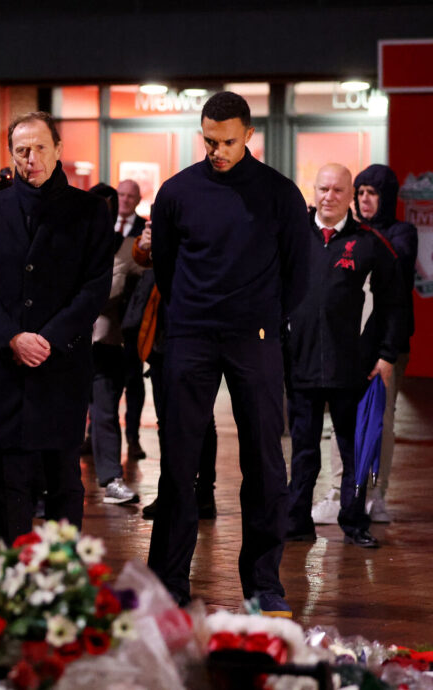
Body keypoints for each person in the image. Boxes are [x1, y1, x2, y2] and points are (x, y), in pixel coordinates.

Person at [147, 91, 310, 615]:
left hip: (254, 338)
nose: (218, 150)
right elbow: (166, 268)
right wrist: (188, 316)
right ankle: (168, 581)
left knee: (264, 462)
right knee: (179, 461)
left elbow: (301, 271)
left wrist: (266, 316)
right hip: (191, 335)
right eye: (210, 141)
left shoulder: (279, 194)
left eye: (228, 142)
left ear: (249, 137)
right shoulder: (176, 193)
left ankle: (263, 583)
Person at [0, 111, 113, 547]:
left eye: (40, 148)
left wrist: (49, 338)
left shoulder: (88, 212)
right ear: (11, 155)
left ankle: (64, 580)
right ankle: (11, 575)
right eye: (22, 150)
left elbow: (94, 285)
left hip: (60, 366)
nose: (31, 159)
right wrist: (11, 336)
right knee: (9, 483)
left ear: (59, 150)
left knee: (65, 482)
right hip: (5, 367)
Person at [284, 164, 403, 549]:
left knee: (354, 452)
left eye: (338, 190)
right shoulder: (293, 238)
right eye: (323, 189)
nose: (328, 197)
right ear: (313, 190)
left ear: (350, 194)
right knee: (303, 451)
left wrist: (386, 355)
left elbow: (395, 305)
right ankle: (297, 521)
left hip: (353, 368)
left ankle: (354, 522)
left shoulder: (370, 243)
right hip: (300, 365)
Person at [311, 164, 417, 525]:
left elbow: (396, 268)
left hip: (387, 346)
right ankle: (341, 493)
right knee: (344, 420)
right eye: (361, 192)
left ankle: (376, 494)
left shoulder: (397, 234)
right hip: (350, 344)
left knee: (381, 421)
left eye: (373, 192)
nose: (365, 199)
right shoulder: (350, 235)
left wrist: (364, 240)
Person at [129, 225, 219, 521]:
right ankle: (172, 492)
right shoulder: (171, 217)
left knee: (202, 420)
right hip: (162, 341)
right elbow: (144, 258)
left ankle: (204, 493)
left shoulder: (206, 226)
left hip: (199, 339)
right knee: (167, 420)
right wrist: (145, 243)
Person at [85, 181, 143, 504]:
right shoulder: (69, 246)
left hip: (106, 345)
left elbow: (147, 264)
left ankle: (111, 479)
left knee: (105, 413)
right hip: (67, 346)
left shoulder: (124, 248)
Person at [115, 180, 149, 461]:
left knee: (133, 381)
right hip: (106, 321)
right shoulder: (102, 225)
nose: (125, 200)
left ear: (138, 199)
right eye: (121, 195)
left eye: (130, 196)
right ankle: (96, 436)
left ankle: (133, 438)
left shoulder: (144, 230)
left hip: (132, 321)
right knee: (102, 383)